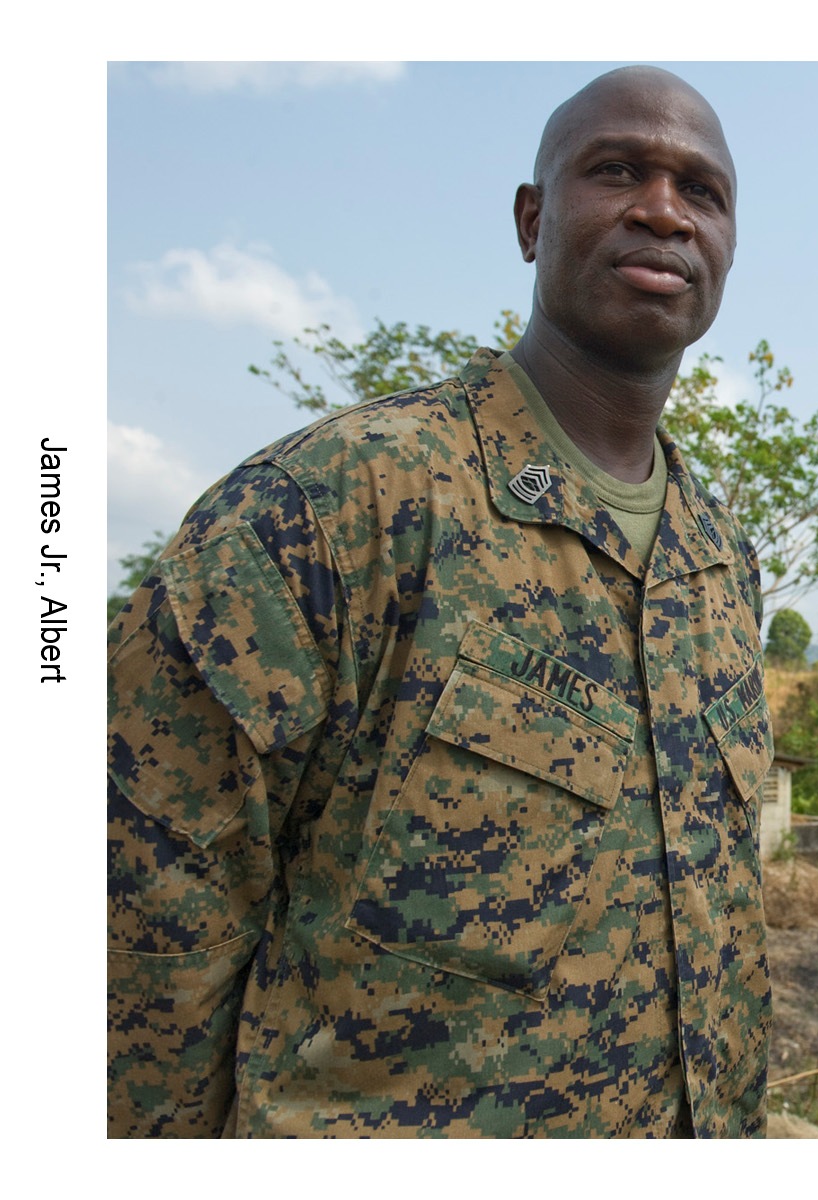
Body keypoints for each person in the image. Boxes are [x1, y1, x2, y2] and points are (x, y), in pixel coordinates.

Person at [105, 66, 771, 1138]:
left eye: (702, 191)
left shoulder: (718, 559)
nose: (663, 209)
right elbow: (141, 927)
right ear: (531, 218)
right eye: (617, 171)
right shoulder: (329, 507)